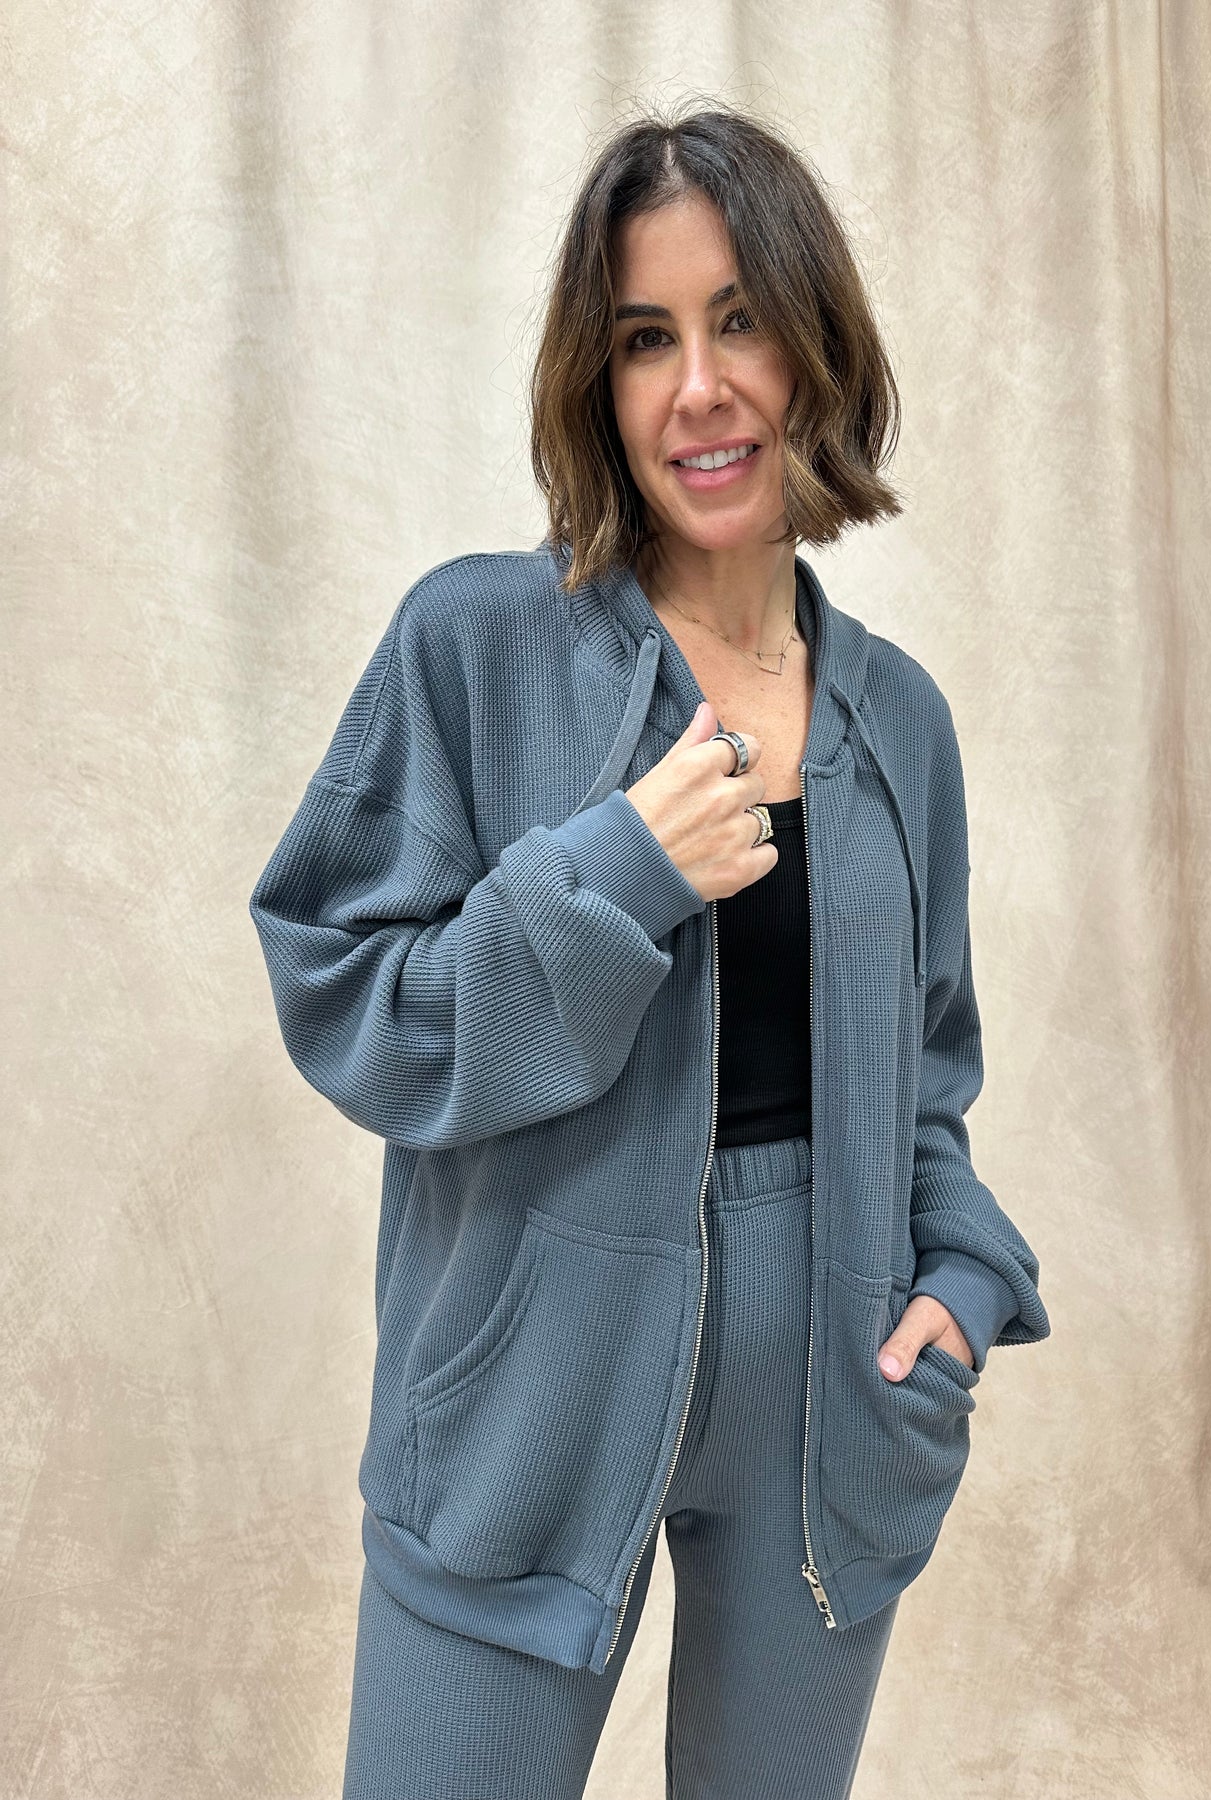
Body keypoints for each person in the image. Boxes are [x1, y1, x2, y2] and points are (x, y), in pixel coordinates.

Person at [250, 102, 1051, 1800]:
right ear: (596, 384)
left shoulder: (900, 723)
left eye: (738, 320)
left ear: (812, 347)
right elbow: (351, 1003)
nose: (697, 386)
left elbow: (924, 1079)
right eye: (643, 338)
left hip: (829, 1416)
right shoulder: (474, 644)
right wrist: (613, 872)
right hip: (521, 1413)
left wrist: (962, 1285)